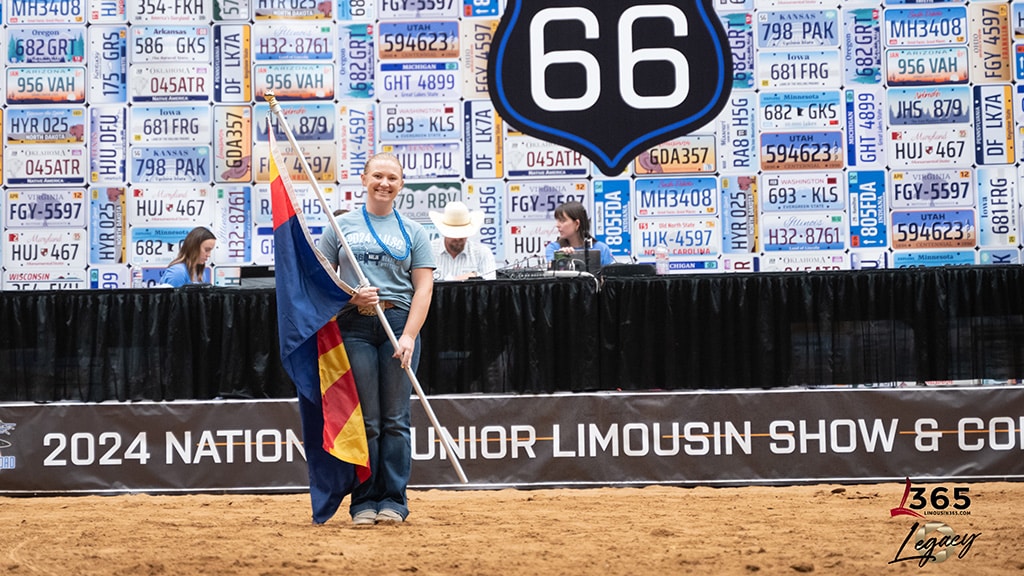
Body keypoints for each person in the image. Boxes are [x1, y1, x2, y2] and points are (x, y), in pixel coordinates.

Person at [316, 153, 435, 527]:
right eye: (378, 176)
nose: (385, 183)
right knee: (365, 420)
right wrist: (350, 296)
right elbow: (321, 280)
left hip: (397, 324)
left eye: (393, 178)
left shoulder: (415, 231)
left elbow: (424, 288)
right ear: (364, 179)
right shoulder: (340, 225)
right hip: (354, 326)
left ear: (402, 185)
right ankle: (363, 501)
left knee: (396, 418)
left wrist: (410, 336)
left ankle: (394, 500)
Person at [429, 201, 497, 280]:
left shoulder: (482, 253)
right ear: (444, 233)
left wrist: (475, 276)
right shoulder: (429, 251)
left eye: (462, 234)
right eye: (453, 234)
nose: (457, 239)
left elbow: (491, 282)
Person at [543, 201, 614, 269]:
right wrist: (560, 257)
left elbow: (609, 277)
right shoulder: (554, 248)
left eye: (562, 220)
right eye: (557, 220)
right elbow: (551, 270)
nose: (557, 225)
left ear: (577, 223)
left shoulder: (601, 248)